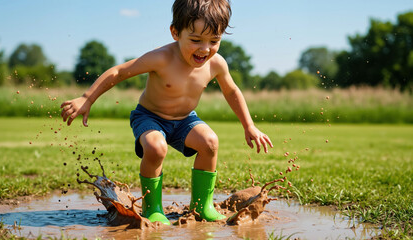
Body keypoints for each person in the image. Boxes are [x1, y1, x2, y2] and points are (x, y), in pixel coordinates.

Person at [60, 0, 273, 225]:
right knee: (156, 147)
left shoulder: (216, 64)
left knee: (210, 142)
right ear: (175, 33)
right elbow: (119, 71)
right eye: (195, 40)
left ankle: (202, 206)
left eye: (214, 40)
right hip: (150, 117)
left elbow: (231, 91)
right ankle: (153, 208)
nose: (205, 48)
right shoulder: (161, 58)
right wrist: (87, 98)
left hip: (185, 120)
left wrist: (249, 125)